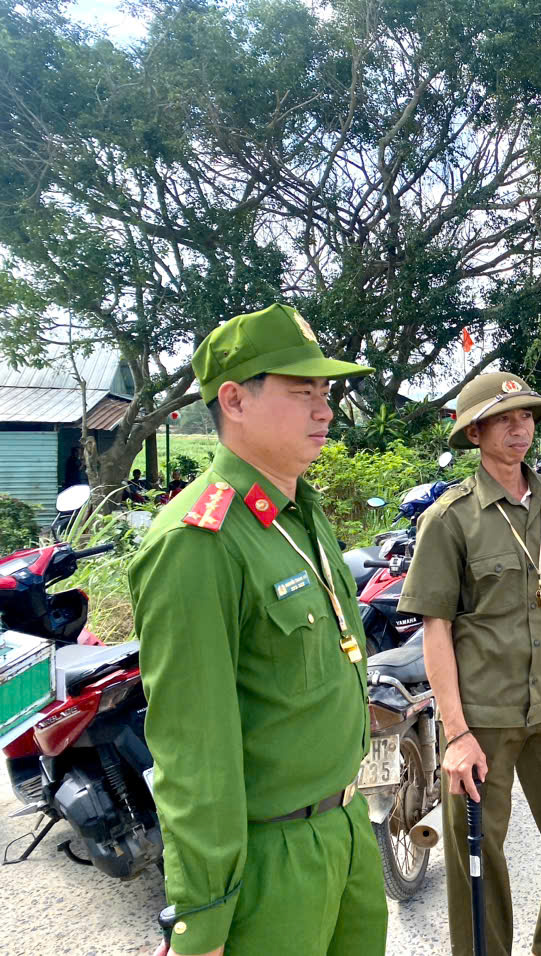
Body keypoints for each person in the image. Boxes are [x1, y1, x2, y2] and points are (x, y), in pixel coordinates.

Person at [128, 303, 388, 955]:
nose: (325, 411)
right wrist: (203, 917)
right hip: (272, 862)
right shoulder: (198, 542)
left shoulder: (301, 512)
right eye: (303, 393)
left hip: (347, 828)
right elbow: (194, 749)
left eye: (326, 393)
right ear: (234, 400)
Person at [398, 372, 541, 956]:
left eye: (526, 417)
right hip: (484, 715)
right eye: (503, 419)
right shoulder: (450, 518)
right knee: (478, 852)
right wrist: (456, 733)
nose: (520, 428)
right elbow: (436, 629)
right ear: (474, 433)